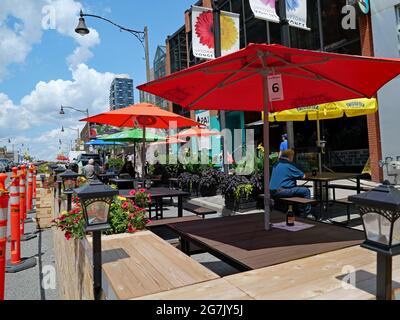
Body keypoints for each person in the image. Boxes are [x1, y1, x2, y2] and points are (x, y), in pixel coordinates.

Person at [269, 149, 311, 216]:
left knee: (296, 189)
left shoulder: (276, 164)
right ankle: (306, 213)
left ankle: (296, 210)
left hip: (272, 191)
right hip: (282, 191)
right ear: (290, 157)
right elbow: (303, 176)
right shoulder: (289, 165)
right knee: (306, 191)